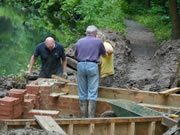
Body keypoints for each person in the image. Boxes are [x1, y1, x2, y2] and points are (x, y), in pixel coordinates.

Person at [74, 25, 106, 118]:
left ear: (86, 33)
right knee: (92, 92)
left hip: (80, 65)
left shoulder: (79, 41)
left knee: (82, 91)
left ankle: (83, 117)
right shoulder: (98, 41)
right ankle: (91, 118)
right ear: (96, 34)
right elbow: (104, 55)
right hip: (92, 65)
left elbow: (75, 55)